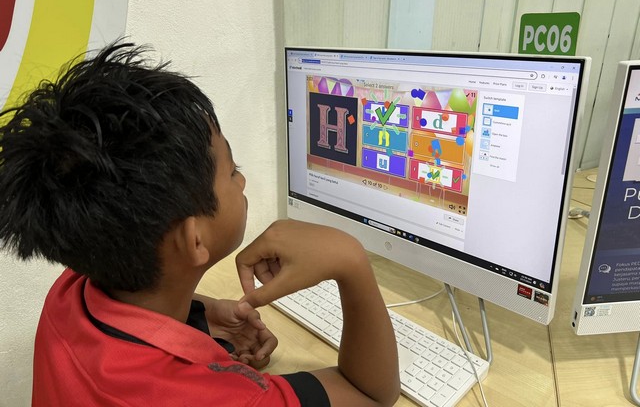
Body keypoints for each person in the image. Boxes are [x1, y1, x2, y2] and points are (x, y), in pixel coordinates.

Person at [0, 42, 400, 406]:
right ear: (194, 240)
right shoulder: (232, 400)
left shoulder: (69, 292)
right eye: (232, 171)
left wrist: (202, 314)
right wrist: (349, 259)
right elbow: (370, 393)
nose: (241, 181)